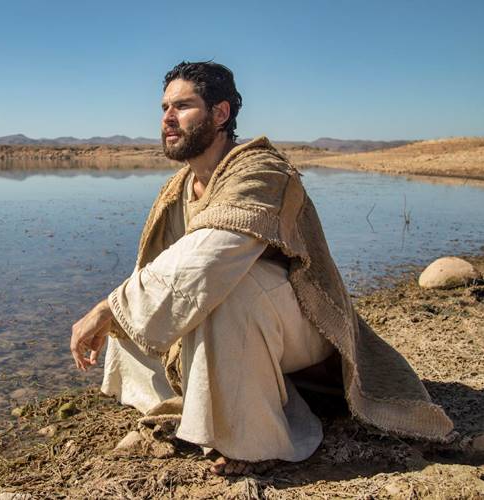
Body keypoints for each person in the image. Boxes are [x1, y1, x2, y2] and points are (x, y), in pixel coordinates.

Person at [70, 61, 453, 476]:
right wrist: (118, 310)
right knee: (139, 307)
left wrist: (110, 307)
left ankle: (258, 440)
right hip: (251, 331)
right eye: (164, 107)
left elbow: (210, 257)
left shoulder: (263, 171)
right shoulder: (177, 188)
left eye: (182, 106)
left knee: (223, 287)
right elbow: (159, 267)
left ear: (220, 113)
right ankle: (209, 400)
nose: (167, 118)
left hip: (304, 328)